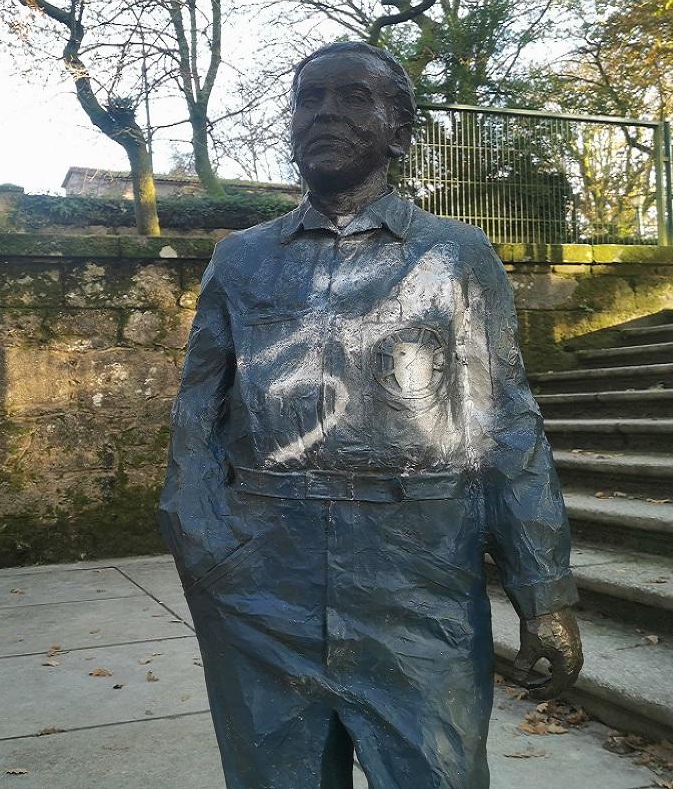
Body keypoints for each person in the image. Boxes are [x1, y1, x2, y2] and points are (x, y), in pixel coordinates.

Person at [157, 41, 582, 789]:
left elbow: (506, 426)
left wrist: (542, 590)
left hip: (418, 583)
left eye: (354, 98)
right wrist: (205, 549)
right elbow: (197, 415)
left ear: (399, 131)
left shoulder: (456, 256)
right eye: (309, 99)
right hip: (261, 585)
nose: (325, 114)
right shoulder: (240, 260)